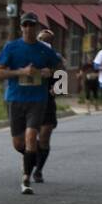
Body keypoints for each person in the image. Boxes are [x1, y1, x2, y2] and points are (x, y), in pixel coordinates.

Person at [0, 14, 60, 195]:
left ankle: (26, 178)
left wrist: (50, 75)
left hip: (38, 99)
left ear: (37, 27)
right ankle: (34, 157)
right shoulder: (11, 47)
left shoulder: (45, 50)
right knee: (18, 143)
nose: (29, 28)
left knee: (32, 136)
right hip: (15, 98)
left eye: (32, 25)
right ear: (21, 27)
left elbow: (58, 67)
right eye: (26, 25)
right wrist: (21, 72)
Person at [33, 29, 65, 182]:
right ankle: (32, 157)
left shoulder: (56, 58)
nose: (43, 43)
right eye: (41, 39)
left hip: (47, 101)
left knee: (44, 137)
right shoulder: (29, 55)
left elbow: (61, 85)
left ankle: (38, 169)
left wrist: (54, 88)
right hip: (29, 100)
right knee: (29, 137)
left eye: (47, 41)